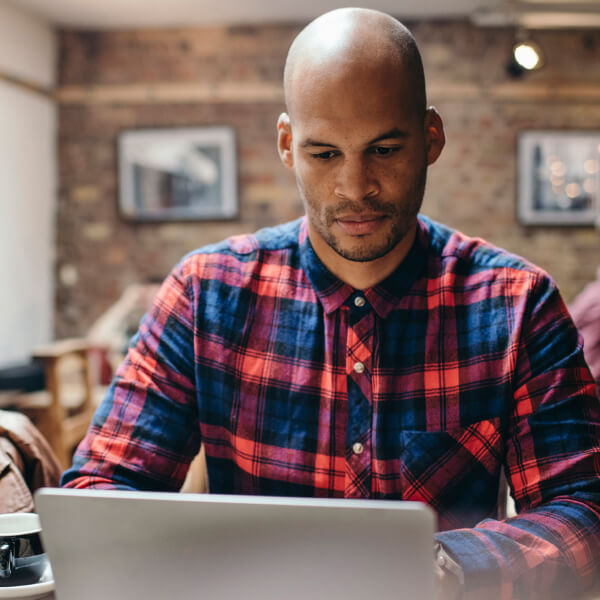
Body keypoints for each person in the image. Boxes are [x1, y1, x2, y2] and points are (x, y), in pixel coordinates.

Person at [62, 7, 600, 600]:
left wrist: (451, 564)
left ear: (431, 139)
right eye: (324, 155)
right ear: (288, 145)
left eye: (385, 150)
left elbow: (583, 507)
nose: (355, 188)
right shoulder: (204, 294)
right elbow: (101, 491)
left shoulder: (517, 304)